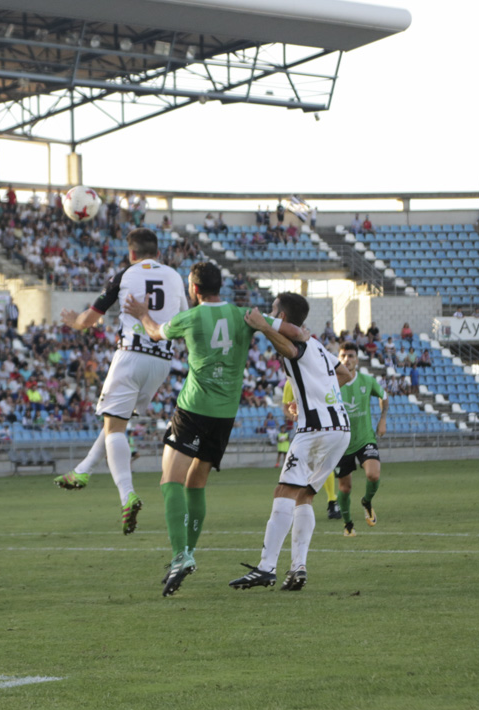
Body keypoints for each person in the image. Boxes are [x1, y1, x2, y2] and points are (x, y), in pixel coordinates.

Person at [125, 263, 309, 596]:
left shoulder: (191, 318)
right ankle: (188, 552)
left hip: (194, 409)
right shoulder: (243, 314)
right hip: (225, 415)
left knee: (170, 481)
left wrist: (141, 313)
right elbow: (292, 332)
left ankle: (181, 555)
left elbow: (155, 332)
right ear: (220, 286)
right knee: (197, 483)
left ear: (194, 289)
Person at [54, 228, 188, 536]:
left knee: (114, 427)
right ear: (158, 252)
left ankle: (126, 494)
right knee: (117, 421)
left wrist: (75, 319)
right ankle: (82, 471)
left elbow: (87, 321)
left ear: (131, 253)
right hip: (162, 362)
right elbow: (184, 320)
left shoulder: (125, 274)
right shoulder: (175, 277)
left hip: (131, 356)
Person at [229, 293, 352, 593]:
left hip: (316, 429)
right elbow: (345, 374)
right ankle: (298, 567)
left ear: (281, 316)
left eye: (273, 311)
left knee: (284, 489)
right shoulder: (320, 346)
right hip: (340, 429)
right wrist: (310, 395)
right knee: (304, 496)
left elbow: (290, 348)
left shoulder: (298, 342)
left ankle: (266, 567)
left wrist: (263, 326)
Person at [334, 342, 388, 537]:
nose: (347, 359)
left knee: (373, 475)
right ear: (338, 358)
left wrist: (382, 420)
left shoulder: (367, 380)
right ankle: (348, 524)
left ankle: (367, 501)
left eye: (351, 355)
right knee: (345, 488)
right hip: (340, 443)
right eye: (343, 356)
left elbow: (384, 396)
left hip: (365, 438)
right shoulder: (331, 383)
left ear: (357, 359)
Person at [283, 379, 342, 520]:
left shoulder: (317, 377)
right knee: (300, 467)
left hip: (322, 428)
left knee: (322, 464)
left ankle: (331, 501)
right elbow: (286, 407)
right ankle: (301, 504)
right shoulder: (290, 382)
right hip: (303, 432)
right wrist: (294, 416)